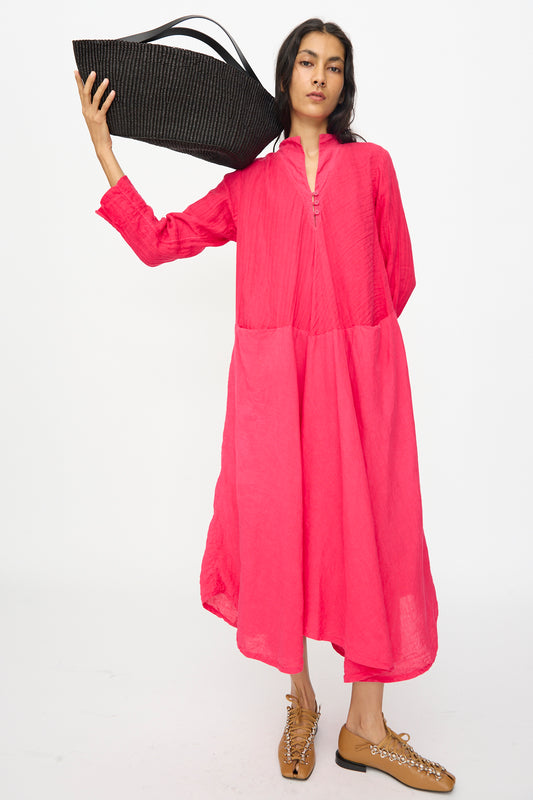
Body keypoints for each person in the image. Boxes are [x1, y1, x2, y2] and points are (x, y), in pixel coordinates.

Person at [74, 17, 456, 792]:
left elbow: (398, 276)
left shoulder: (372, 166)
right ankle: (305, 700)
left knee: (369, 532)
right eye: (307, 63)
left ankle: (367, 728)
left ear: (345, 85)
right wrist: (105, 150)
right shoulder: (249, 184)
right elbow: (160, 242)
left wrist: (354, 353)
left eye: (335, 67)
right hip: (273, 391)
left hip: (360, 382)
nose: (320, 77)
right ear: (283, 77)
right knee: (284, 530)